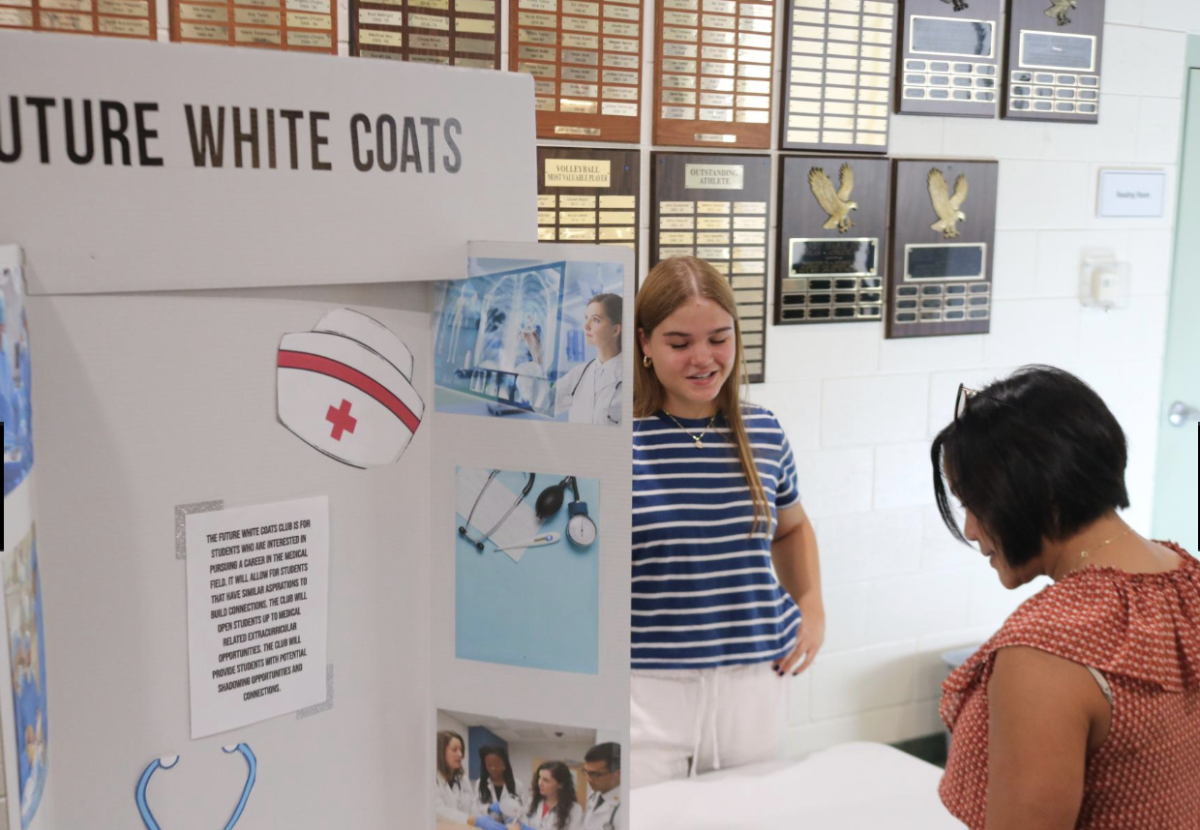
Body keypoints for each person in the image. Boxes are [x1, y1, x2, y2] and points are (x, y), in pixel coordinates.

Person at [931, 366, 1199, 830]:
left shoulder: (1046, 649)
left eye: (975, 501)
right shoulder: (1187, 580)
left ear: (1042, 489)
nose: (972, 531)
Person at [630, 256, 825, 789]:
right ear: (644, 343)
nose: (703, 358)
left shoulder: (763, 430)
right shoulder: (615, 442)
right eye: (679, 342)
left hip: (756, 677)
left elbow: (791, 527)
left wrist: (811, 607)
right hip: (646, 687)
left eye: (718, 338)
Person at [520, 293, 623, 425]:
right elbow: (543, 405)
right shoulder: (579, 373)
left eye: (596, 319)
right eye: (587, 318)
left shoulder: (630, 377)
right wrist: (538, 357)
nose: (586, 325)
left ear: (615, 330)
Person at [510, 761, 583, 830]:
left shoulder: (574, 810)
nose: (540, 783)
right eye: (539, 778)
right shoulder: (532, 802)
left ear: (560, 785)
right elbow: (519, 821)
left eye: (546, 780)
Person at [436, 730, 483, 826]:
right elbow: (438, 811)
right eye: (454, 750)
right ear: (441, 752)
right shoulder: (432, 779)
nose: (460, 754)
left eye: (461, 750)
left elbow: (473, 808)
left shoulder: (463, 779)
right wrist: (470, 820)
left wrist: (482, 820)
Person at [475, 745, 527, 823]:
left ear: (504, 764)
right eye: (489, 765)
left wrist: (515, 816)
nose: (493, 768)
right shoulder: (480, 783)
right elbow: (476, 808)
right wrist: (489, 808)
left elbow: (523, 810)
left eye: (496, 765)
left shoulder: (517, 784)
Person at [581, 743, 622, 830]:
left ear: (619, 774)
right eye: (586, 772)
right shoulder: (593, 794)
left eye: (595, 774)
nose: (588, 779)